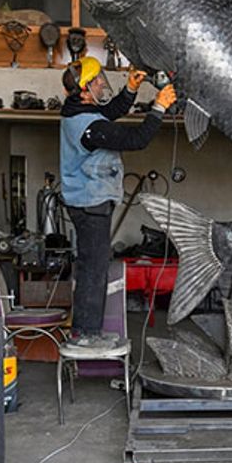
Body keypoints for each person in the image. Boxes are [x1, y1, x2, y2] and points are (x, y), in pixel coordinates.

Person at [58, 56, 176, 346]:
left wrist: (130, 90)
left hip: (87, 202)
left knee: (92, 266)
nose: (102, 82)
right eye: (97, 80)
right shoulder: (89, 127)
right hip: (90, 205)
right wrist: (159, 107)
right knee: (94, 270)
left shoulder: (78, 110)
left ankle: (86, 332)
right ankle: (86, 335)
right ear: (85, 90)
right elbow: (137, 139)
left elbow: (108, 112)